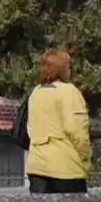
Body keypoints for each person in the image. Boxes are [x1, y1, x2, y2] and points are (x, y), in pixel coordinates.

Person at [24, 47, 91, 194]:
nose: (70, 70)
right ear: (62, 69)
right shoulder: (69, 92)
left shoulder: (36, 92)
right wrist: (85, 160)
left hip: (37, 167)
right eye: (68, 66)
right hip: (66, 168)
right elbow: (77, 131)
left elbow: (30, 128)